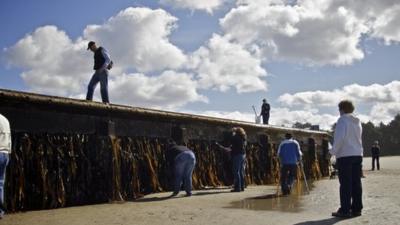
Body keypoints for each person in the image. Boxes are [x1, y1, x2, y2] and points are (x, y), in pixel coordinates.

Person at [330, 100, 363, 218]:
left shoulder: (342, 120)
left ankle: (345, 210)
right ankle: (357, 209)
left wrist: (332, 152)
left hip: (345, 155)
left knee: (345, 184)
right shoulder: (357, 121)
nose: (339, 112)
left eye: (339, 109)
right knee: (356, 182)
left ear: (342, 109)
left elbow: (340, 138)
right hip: (357, 154)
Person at [165, 128, 196, 197]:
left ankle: (176, 192)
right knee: (188, 175)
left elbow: (170, 161)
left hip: (181, 157)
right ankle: (189, 192)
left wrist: (170, 169)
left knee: (178, 175)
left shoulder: (170, 149)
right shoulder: (180, 146)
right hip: (192, 155)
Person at [215, 127, 247, 192]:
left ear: (236, 132)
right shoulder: (243, 137)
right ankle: (242, 187)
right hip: (243, 155)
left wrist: (232, 133)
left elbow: (231, 141)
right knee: (241, 171)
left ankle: (238, 188)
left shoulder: (235, 137)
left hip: (237, 155)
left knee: (236, 171)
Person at [0, 114, 11, 219]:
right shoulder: (5, 120)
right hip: (5, 153)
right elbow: (9, 139)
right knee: (0, 184)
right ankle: (0, 212)